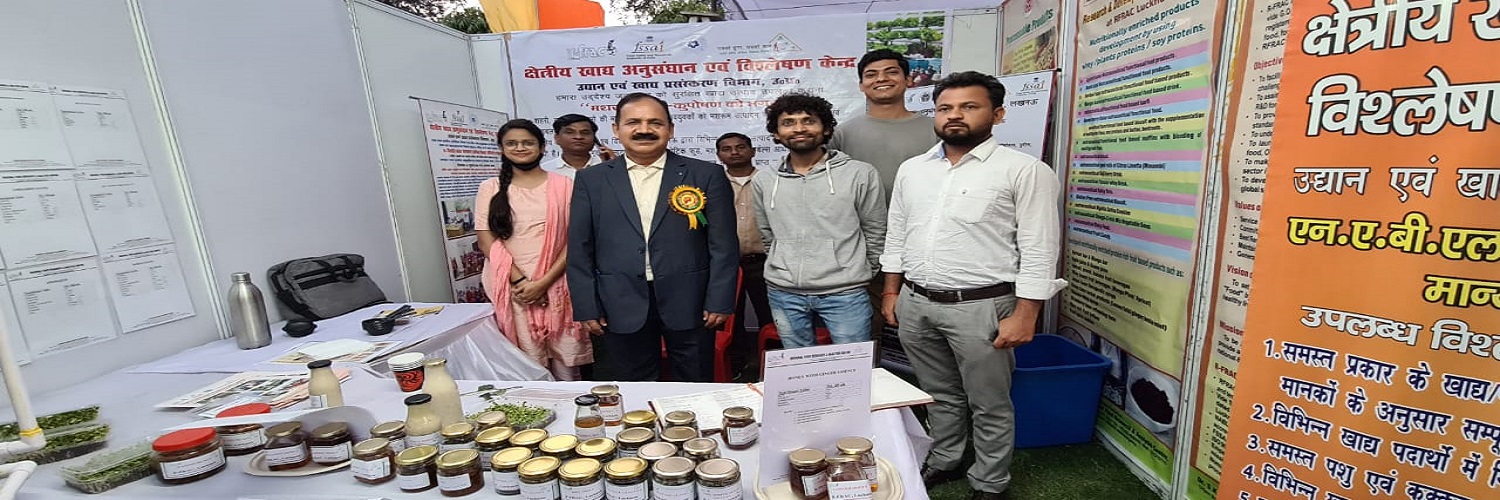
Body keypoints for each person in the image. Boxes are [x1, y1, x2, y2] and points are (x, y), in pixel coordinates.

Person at [880, 71, 1064, 500]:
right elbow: (897, 233)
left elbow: (1040, 248)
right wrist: (891, 291)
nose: (954, 115)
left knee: (989, 402)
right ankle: (947, 458)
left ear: (997, 114)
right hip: (916, 302)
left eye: (969, 106)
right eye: (945, 108)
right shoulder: (913, 169)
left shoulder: (1024, 170)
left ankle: (990, 481)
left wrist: (1026, 313)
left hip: (982, 307)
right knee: (938, 393)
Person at [567, 93, 739, 382]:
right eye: (633, 122)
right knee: (634, 386)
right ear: (616, 129)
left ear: (670, 130)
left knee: (694, 383)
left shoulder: (706, 174)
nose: (644, 130)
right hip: (619, 301)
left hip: (692, 301)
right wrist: (587, 305)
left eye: (655, 123)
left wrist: (719, 300)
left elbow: (723, 245)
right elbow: (580, 247)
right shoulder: (592, 179)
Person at [753, 93, 885, 348]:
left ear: (825, 129)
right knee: (799, 365)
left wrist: (857, 272)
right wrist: (783, 265)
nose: (799, 128)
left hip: (845, 292)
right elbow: (767, 232)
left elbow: (875, 229)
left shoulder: (860, 173)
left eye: (808, 121)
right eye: (788, 122)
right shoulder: (765, 180)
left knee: (851, 364)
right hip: (784, 292)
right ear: (776, 134)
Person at [476, 119, 592, 381]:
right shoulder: (490, 187)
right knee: (523, 360)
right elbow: (486, 240)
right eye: (512, 143)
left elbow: (575, 239)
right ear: (501, 149)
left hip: (558, 280)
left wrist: (543, 283)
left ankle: (566, 401)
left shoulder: (565, 185)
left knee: (565, 363)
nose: (520, 148)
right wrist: (521, 282)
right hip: (511, 285)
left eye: (527, 142)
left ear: (542, 147)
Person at [829, 49, 939, 204]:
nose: (881, 79)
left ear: (908, 80)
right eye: (871, 75)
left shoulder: (937, 130)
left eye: (892, 72)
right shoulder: (841, 134)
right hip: (860, 218)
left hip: (920, 216)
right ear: (861, 85)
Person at [716, 132, 770, 379]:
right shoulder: (713, 183)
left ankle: (770, 366)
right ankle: (736, 366)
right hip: (727, 264)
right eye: (727, 149)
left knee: (770, 316)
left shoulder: (768, 179)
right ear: (719, 155)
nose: (734, 152)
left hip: (764, 262)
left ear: (753, 151)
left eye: (740, 147)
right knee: (730, 318)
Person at [543, 114, 615, 179]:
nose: (578, 137)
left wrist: (616, 167)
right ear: (557, 138)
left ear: (594, 138)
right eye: (570, 132)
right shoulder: (545, 170)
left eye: (585, 133)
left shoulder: (607, 165)